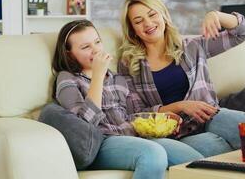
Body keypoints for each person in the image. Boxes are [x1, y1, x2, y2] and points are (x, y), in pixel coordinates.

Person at [52, 19, 203, 179]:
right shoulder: (67, 79)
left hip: (131, 137)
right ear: (69, 54)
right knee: (152, 154)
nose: (95, 50)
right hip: (101, 143)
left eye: (97, 42)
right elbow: (83, 126)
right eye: (85, 47)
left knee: (196, 161)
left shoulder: (117, 79)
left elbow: (134, 115)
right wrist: (98, 76)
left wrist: (158, 118)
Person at [118, 0, 245, 157]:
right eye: (138, 21)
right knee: (216, 146)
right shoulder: (129, 64)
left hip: (211, 118)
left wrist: (216, 15)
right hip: (178, 135)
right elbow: (137, 114)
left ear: (163, 15)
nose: (148, 23)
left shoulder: (192, 46)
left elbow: (244, 31)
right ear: (133, 30)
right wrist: (181, 106)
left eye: (152, 14)